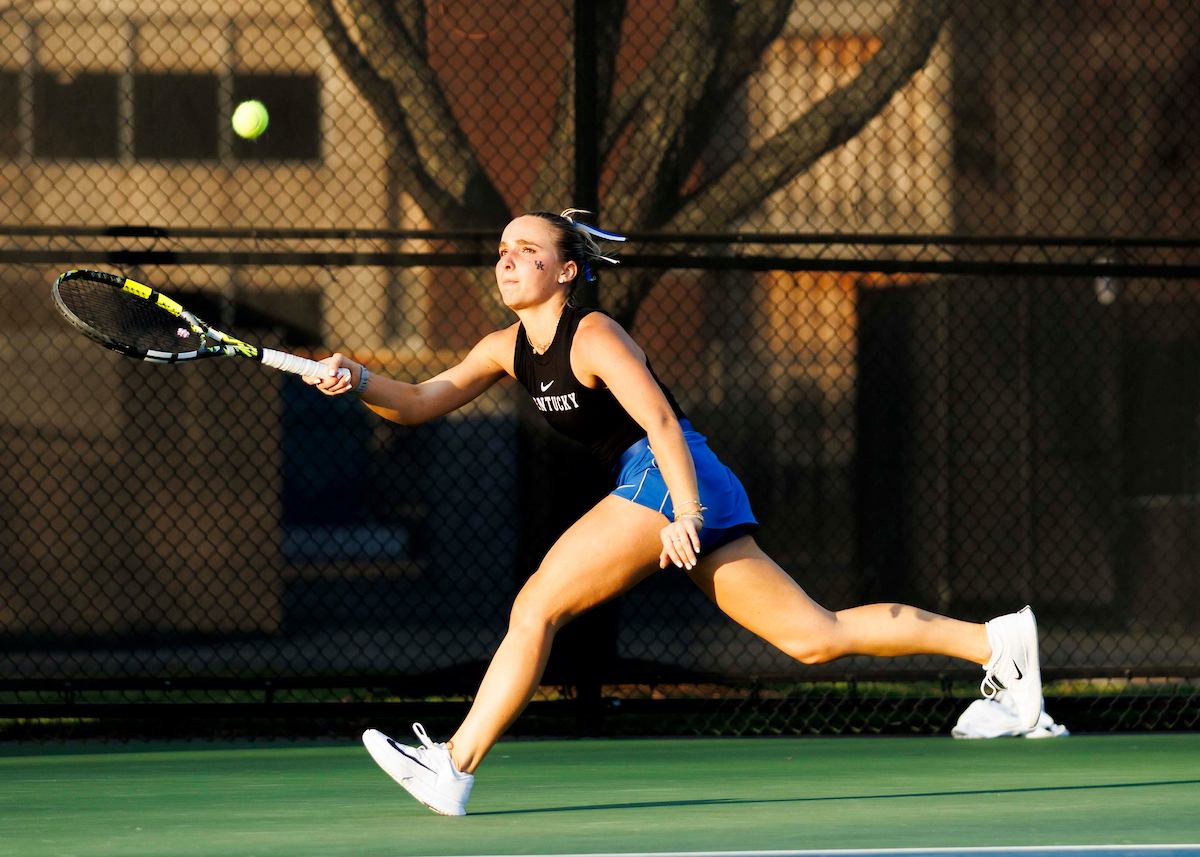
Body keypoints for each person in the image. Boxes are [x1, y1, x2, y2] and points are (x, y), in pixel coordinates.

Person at [305, 209, 1043, 817]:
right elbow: (418, 401)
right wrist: (358, 376)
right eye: (502, 249)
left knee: (537, 603)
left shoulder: (593, 334)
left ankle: (453, 764)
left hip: (671, 477)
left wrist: (683, 511)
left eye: (526, 250)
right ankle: (998, 644)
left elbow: (658, 419)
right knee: (814, 637)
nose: (507, 259)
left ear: (566, 271)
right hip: (685, 484)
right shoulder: (506, 349)